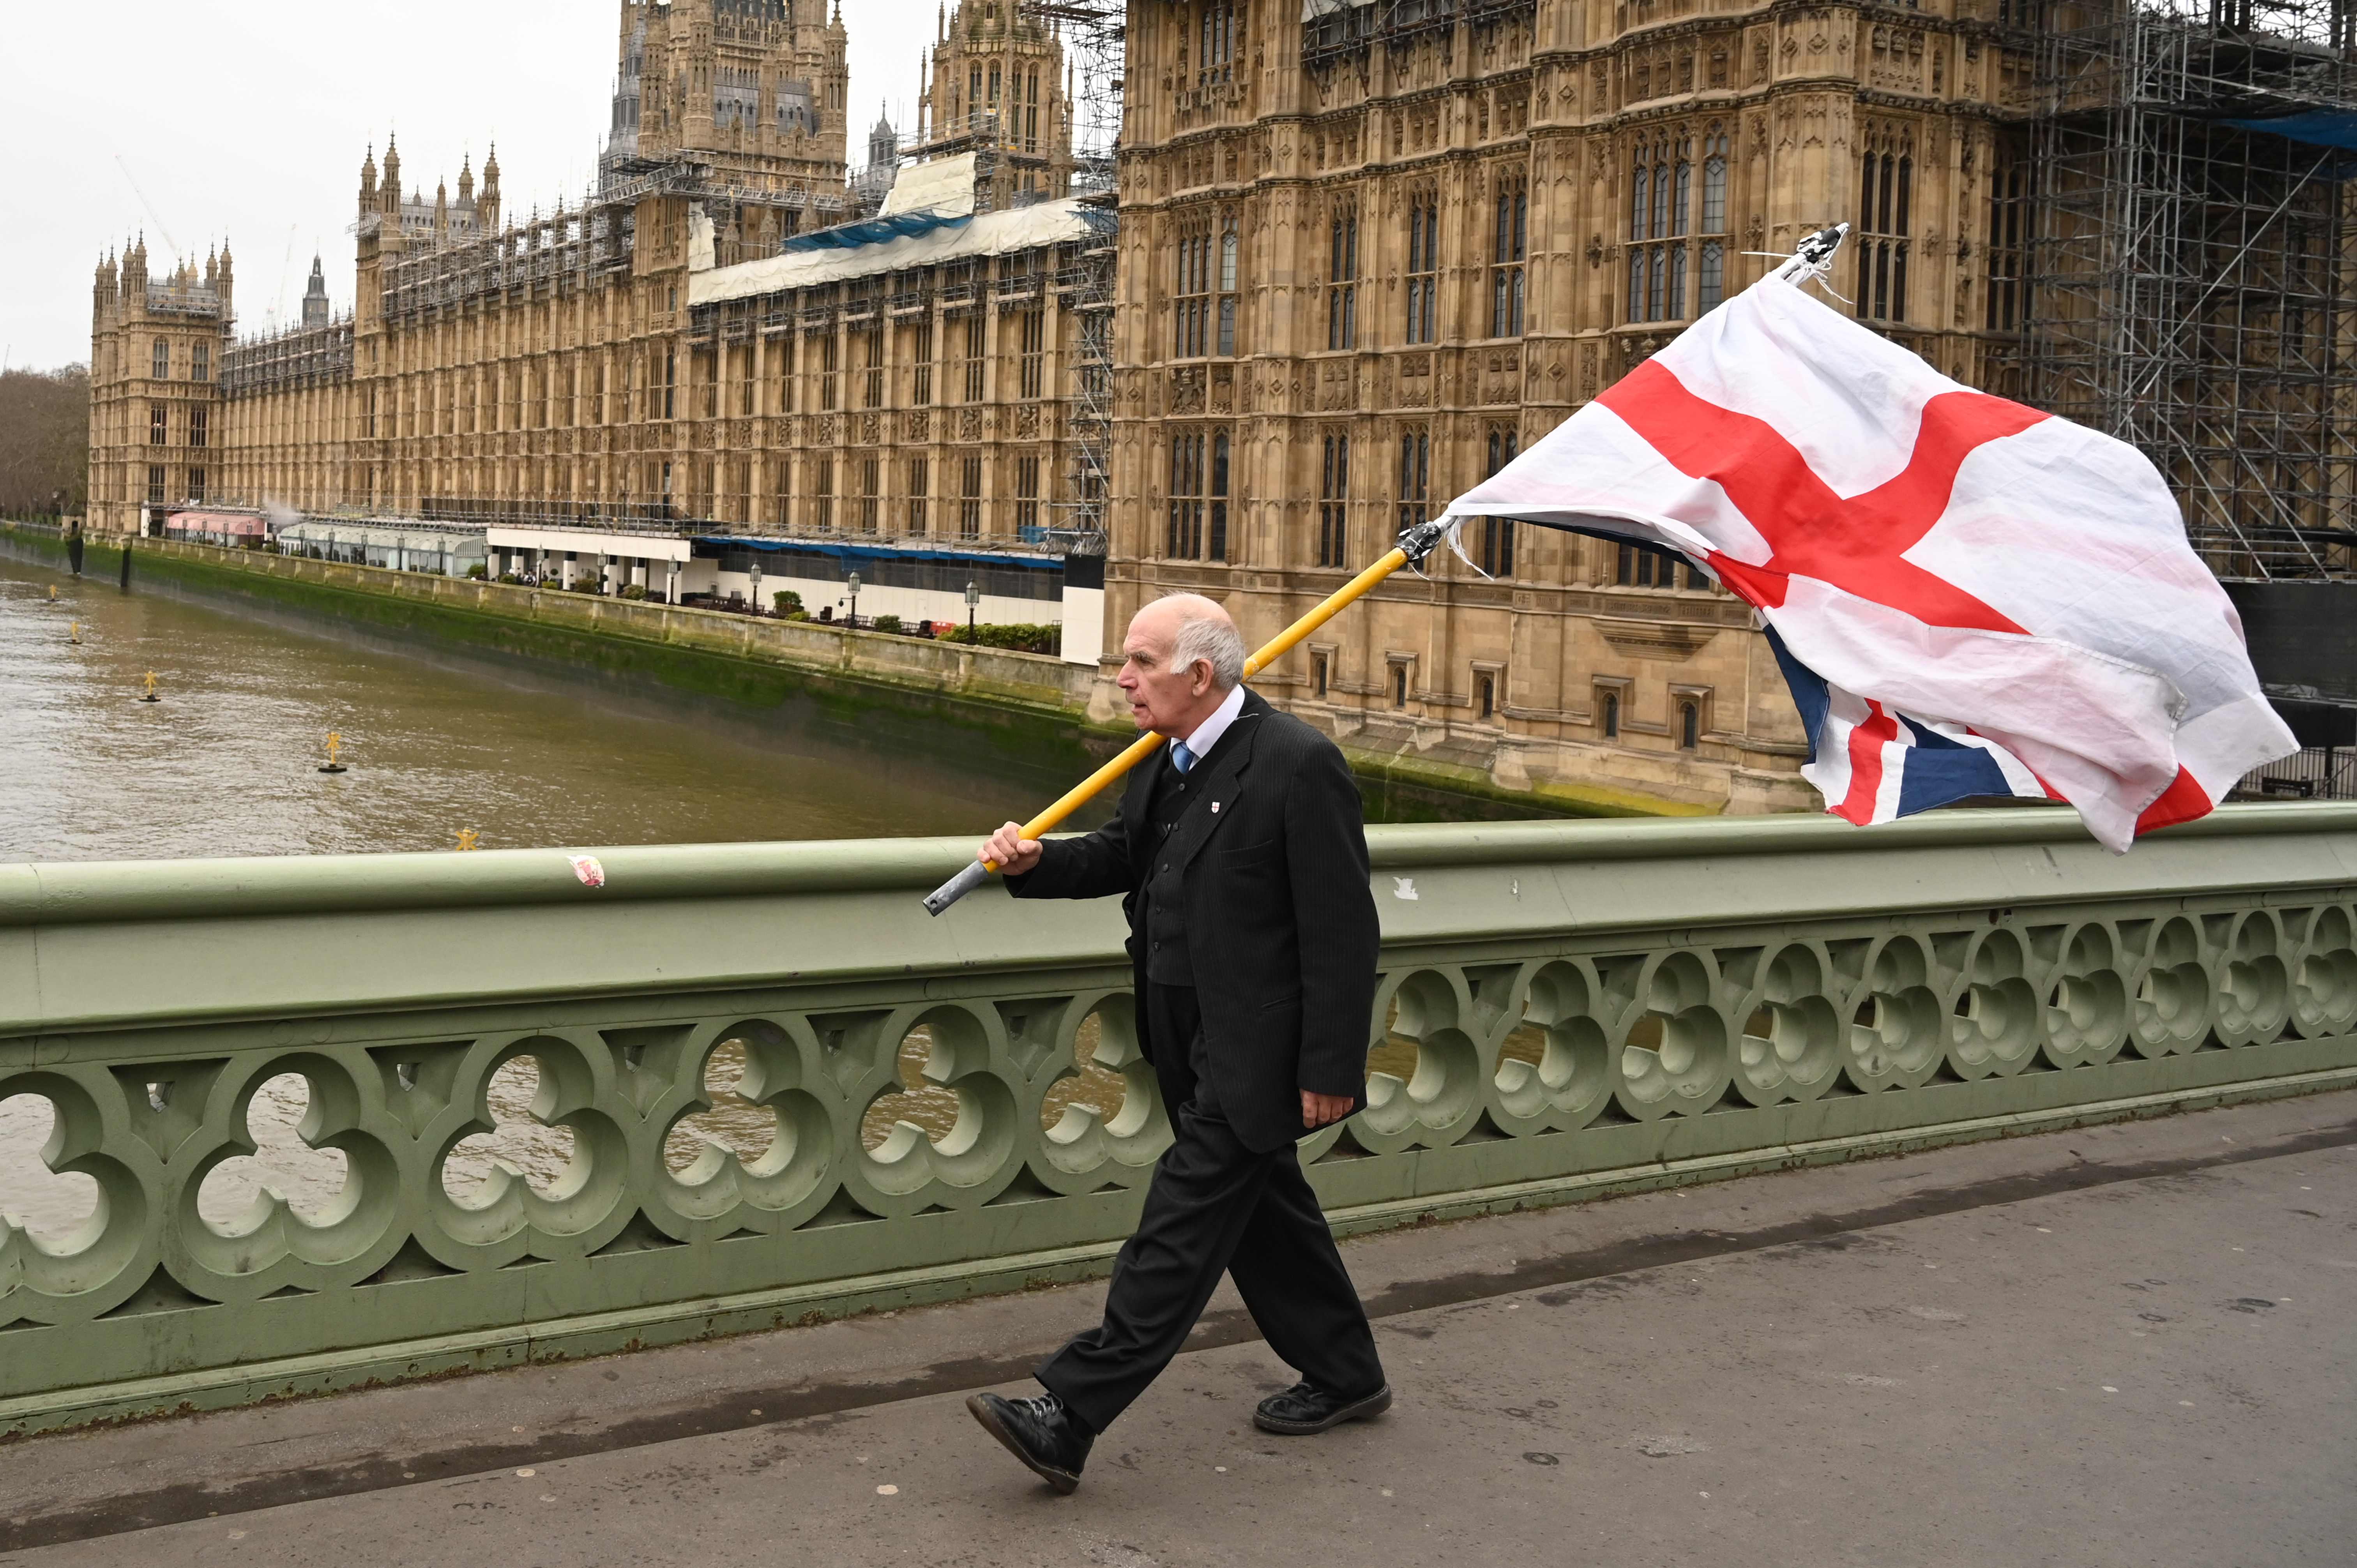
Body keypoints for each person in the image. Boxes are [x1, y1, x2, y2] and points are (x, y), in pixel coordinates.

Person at [965, 593, 1391, 1494]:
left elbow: (1343, 931)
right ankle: (1349, 1372)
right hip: (1181, 1036)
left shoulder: (1298, 764)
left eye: (1141, 661)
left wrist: (1331, 1068)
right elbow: (1126, 855)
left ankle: (1069, 1413)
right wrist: (1036, 864)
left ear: (1199, 675)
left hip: (1257, 1051)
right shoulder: (1167, 758)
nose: (1121, 677)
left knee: (1180, 1227)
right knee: (1269, 1219)